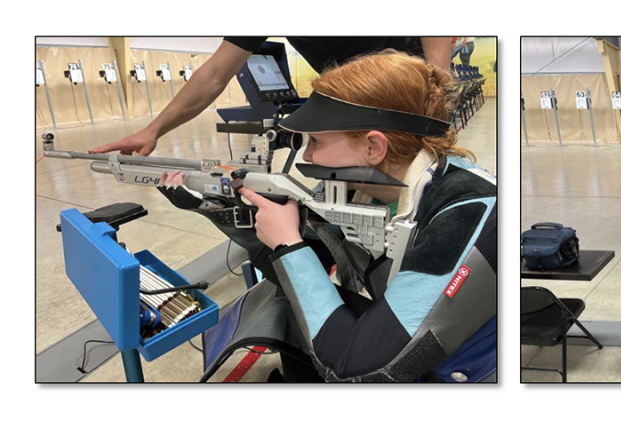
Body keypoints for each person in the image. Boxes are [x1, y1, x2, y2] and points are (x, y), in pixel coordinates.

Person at [161, 50, 495, 382]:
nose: (306, 154)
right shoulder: (356, 186)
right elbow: (294, 271)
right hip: (408, 331)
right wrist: (225, 210)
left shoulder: (468, 209)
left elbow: (360, 370)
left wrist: (289, 245)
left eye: (316, 141)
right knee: (287, 305)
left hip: (458, 365)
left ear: (373, 147)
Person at [90, 37, 452, 156]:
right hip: (349, 100)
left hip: (408, 92)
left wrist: (434, 91)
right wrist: (154, 130)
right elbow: (215, 73)